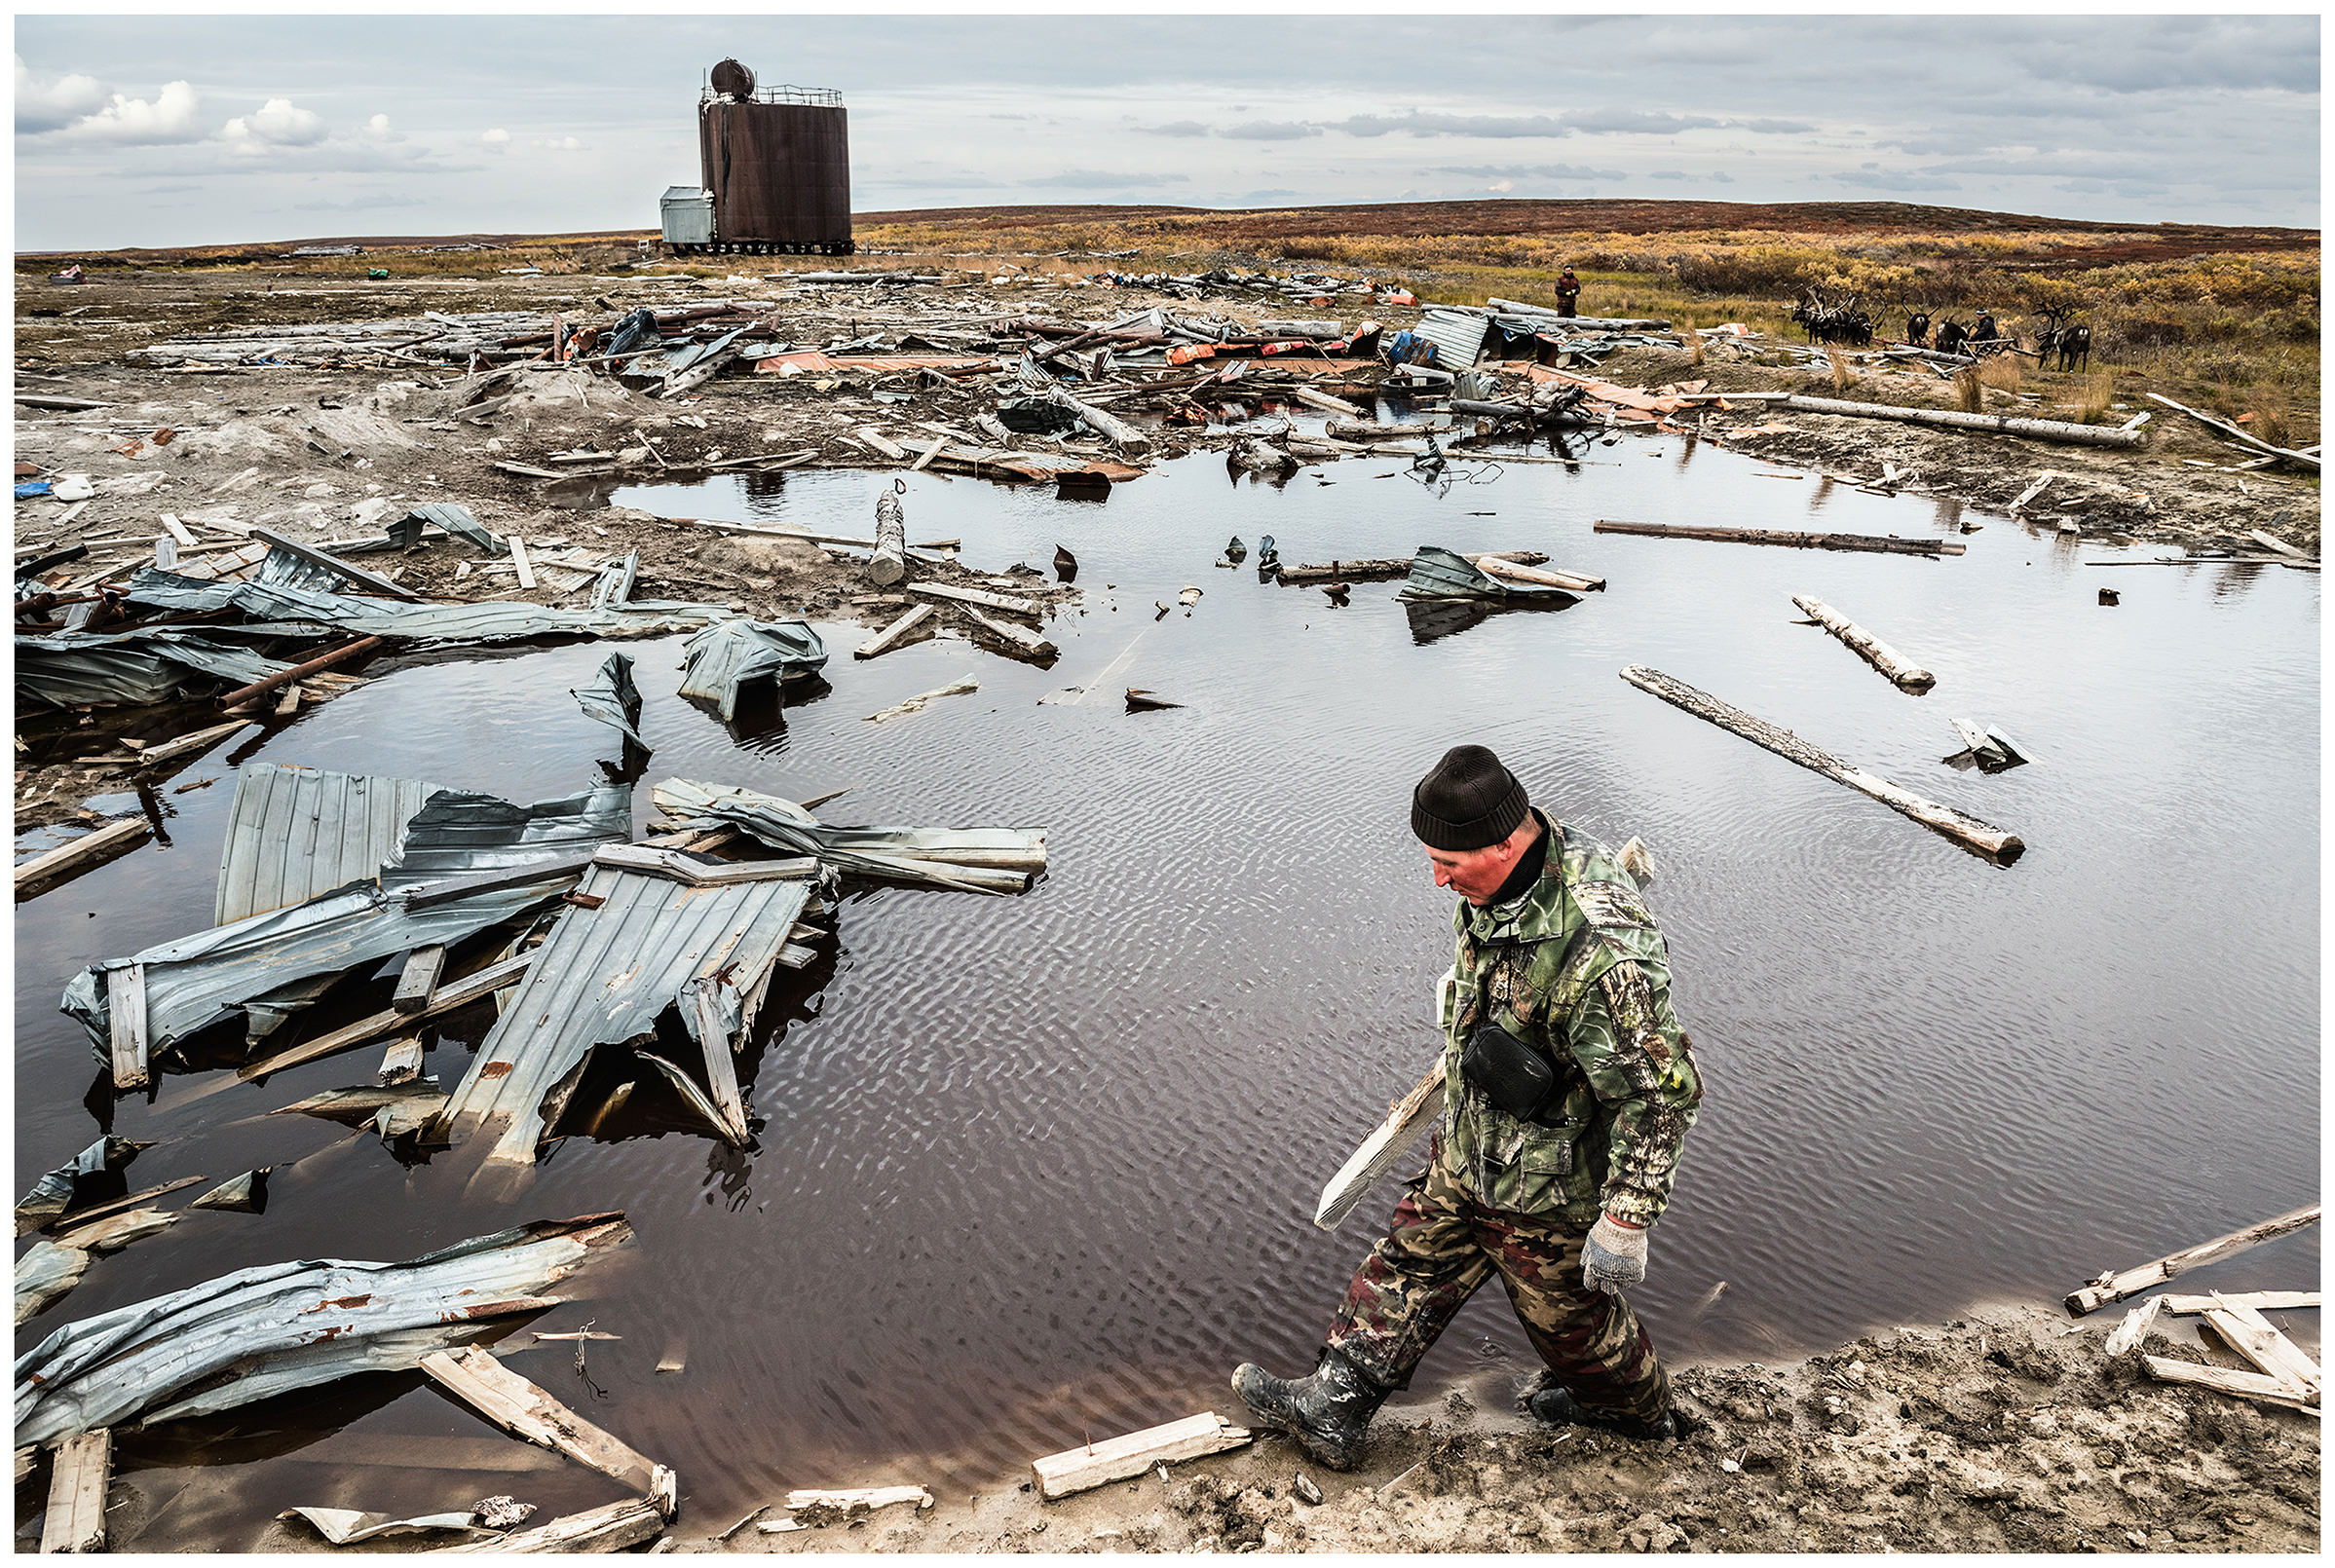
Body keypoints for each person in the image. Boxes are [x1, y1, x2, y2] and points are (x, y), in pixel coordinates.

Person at [1232, 745, 1704, 1470]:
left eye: (1449, 864)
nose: (1436, 879)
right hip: (1471, 1142)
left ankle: (1636, 1418)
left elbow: (1659, 1093)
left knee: (1570, 1328)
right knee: (1410, 1257)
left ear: (1505, 842)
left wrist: (1624, 1216)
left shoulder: (1602, 954)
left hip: (1547, 1185)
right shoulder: (1504, 877)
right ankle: (1336, 1403)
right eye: (1431, 859)